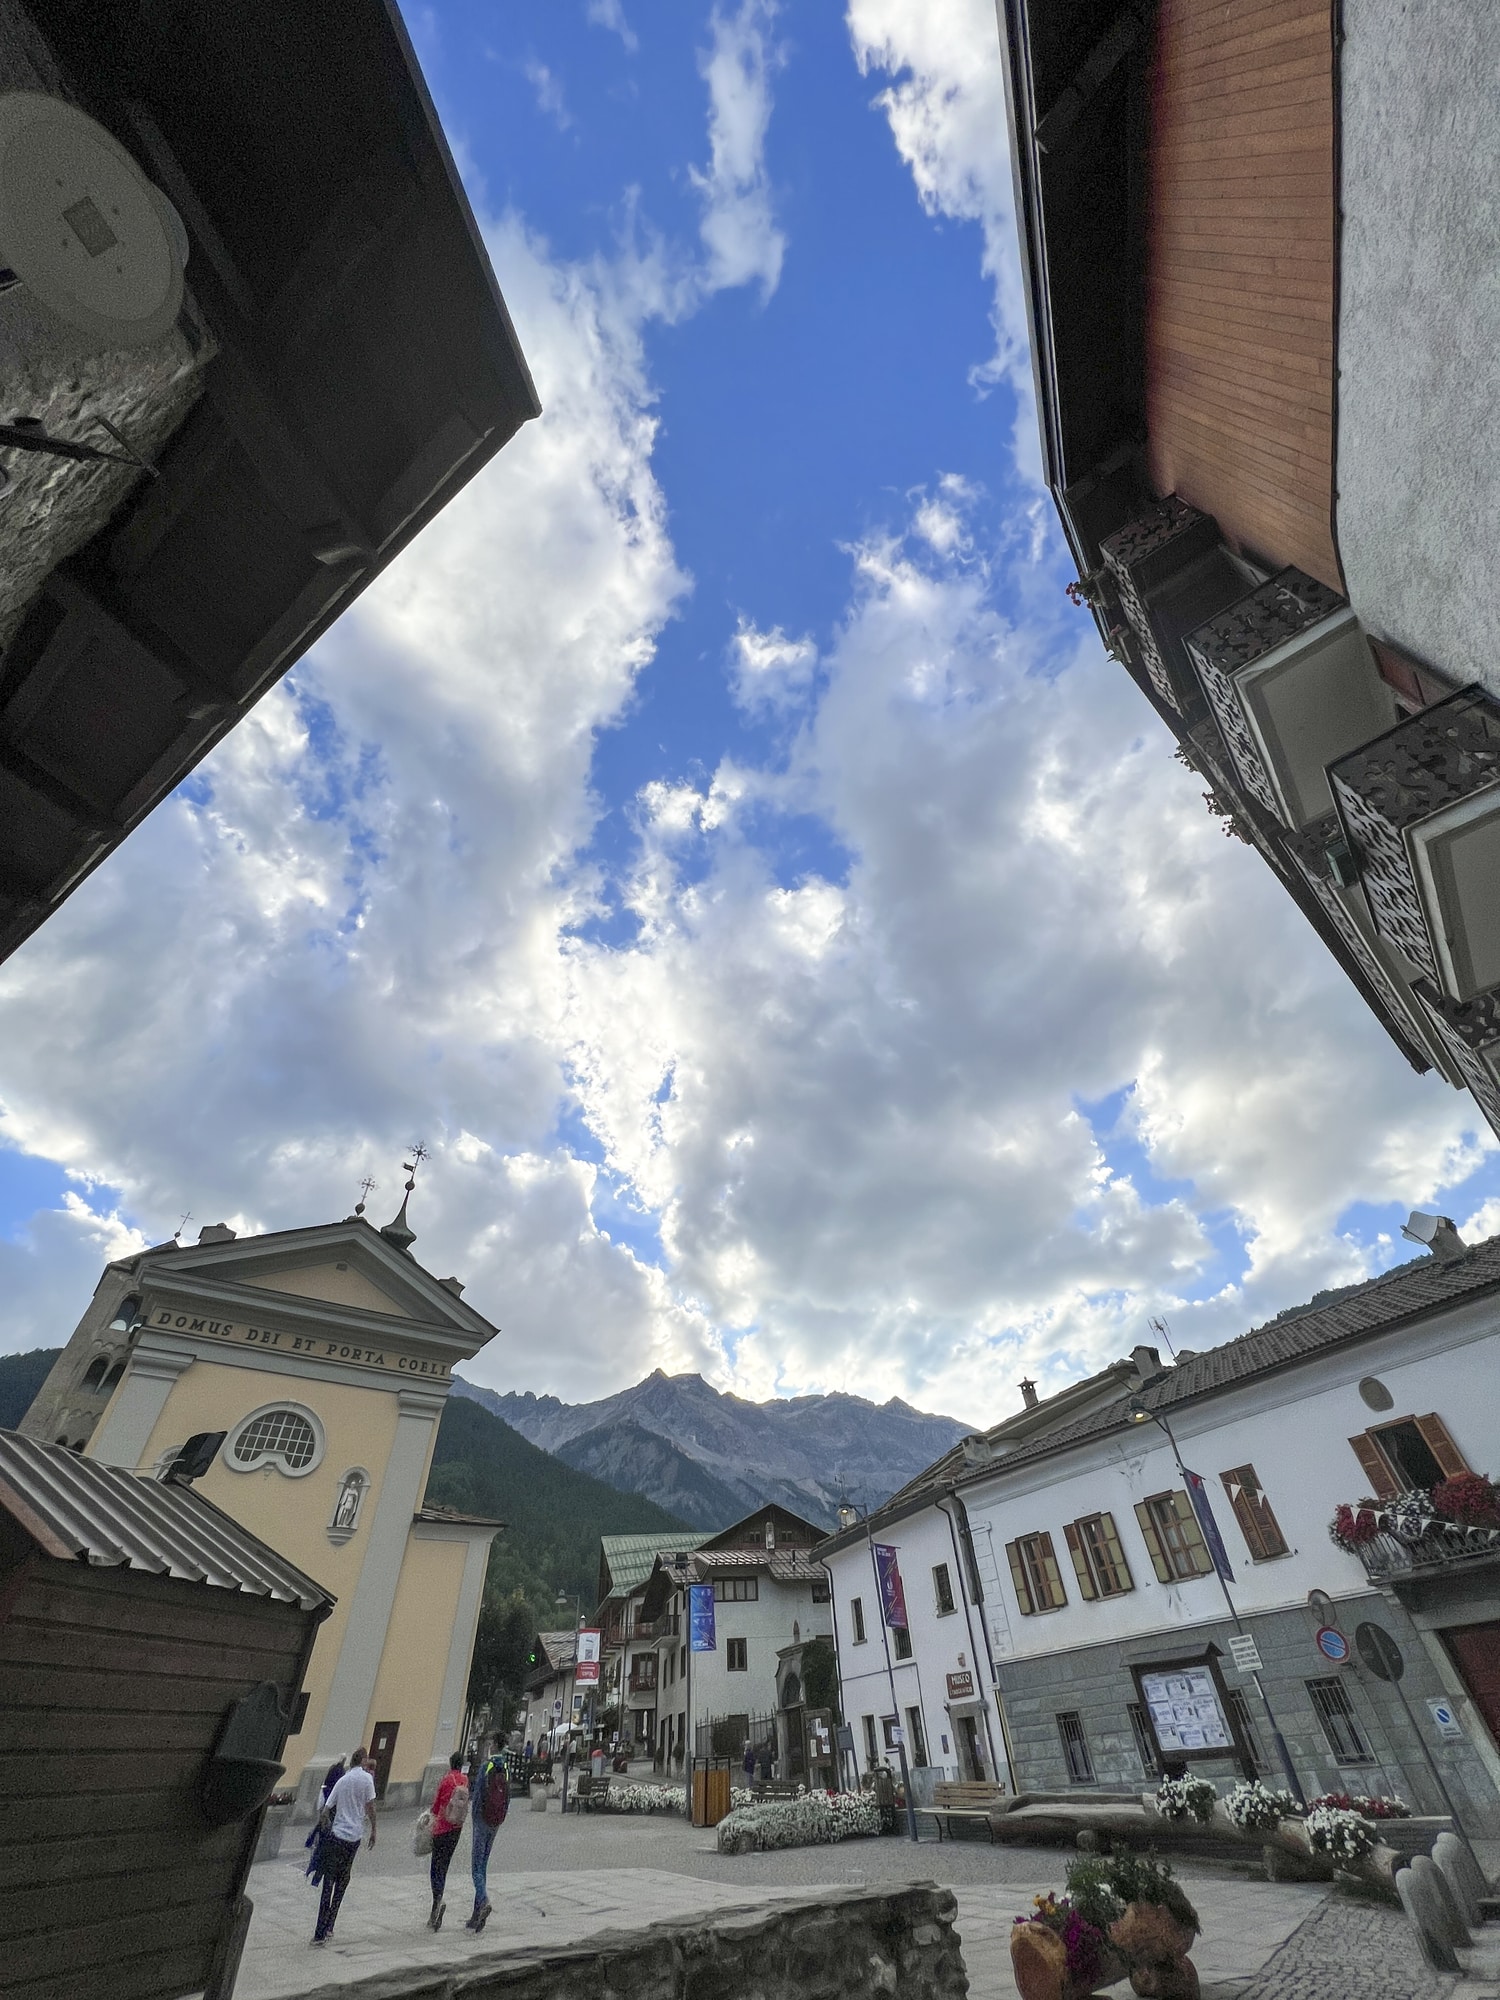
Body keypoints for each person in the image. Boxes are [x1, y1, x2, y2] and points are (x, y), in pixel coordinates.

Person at [311, 1747, 377, 1945]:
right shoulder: (366, 1780)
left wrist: (325, 1831)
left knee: (328, 1881)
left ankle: (319, 1932)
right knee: (343, 1878)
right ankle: (331, 1923)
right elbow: (371, 1807)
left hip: (337, 1835)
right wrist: (374, 1829)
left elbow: (326, 1810)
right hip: (354, 1836)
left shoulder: (343, 1780)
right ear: (364, 1761)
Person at [465, 1748, 510, 1932]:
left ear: (491, 1746)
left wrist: (475, 1818)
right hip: (495, 1821)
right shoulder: (505, 1768)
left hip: (482, 1820)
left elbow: (477, 1795)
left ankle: (483, 1901)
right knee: (483, 1865)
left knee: (476, 1867)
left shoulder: (486, 1767)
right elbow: (508, 1796)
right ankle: (477, 1915)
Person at [425, 1752, 469, 1931]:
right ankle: (437, 1902)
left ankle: (437, 1902)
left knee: (436, 1868)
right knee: (445, 1865)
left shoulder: (446, 1780)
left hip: (441, 1828)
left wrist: (429, 1819)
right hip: (456, 1829)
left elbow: (436, 1806)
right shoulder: (465, 1781)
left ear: (451, 1764)